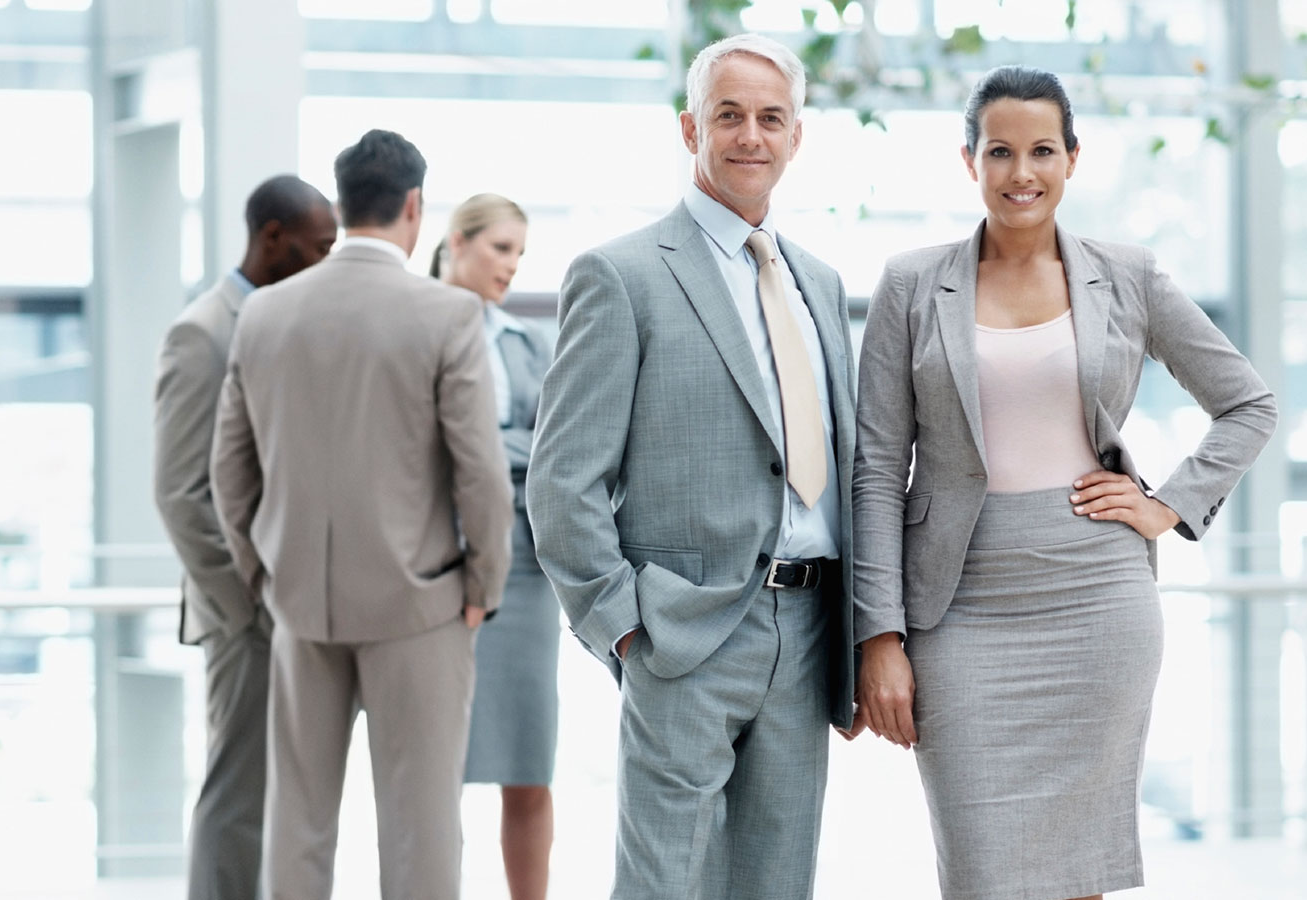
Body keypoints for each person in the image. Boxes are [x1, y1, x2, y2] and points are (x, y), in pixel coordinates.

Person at [850, 65, 1278, 900]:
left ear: (1073, 159)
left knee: (1078, 873)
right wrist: (880, 637)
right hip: (957, 602)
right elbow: (874, 470)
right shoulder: (909, 284)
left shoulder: (1130, 275)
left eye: (1042, 150)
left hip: (1096, 598)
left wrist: (1167, 508)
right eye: (1001, 151)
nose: (1022, 173)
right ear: (969, 159)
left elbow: (1247, 405)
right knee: (980, 872)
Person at [527, 33, 860, 900]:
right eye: (729, 116)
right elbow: (564, 480)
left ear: (797, 136)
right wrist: (623, 624)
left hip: (812, 627)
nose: (750, 135)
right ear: (690, 129)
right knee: (663, 885)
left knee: (776, 883)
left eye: (770, 118)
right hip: (682, 634)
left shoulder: (818, 283)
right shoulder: (622, 275)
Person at [209, 128, 513, 900]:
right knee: (420, 824)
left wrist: (261, 571)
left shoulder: (266, 314)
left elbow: (229, 472)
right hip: (422, 603)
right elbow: (480, 469)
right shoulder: (446, 316)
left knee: (298, 819)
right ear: (415, 205)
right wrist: (485, 584)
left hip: (299, 602)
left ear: (342, 206)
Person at [151, 174, 334, 900]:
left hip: (293, 609)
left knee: (285, 804)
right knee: (238, 801)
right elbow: (179, 494)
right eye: (319, 247)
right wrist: (247, 607)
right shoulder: (204, 331)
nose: (328, 260)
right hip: (244, 618)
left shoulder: (291, 318)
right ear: (272, 239)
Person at [429, 193, 557, 900]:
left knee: (530, 762)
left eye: (519, 254)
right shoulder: (412, 327)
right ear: (456, 241)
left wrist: (480, 447)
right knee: (430, 765)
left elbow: (558, 449)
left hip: (527, 569)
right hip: (434, 565)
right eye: (501, 249)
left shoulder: (528, 342)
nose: (510, 267)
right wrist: (508, 450)